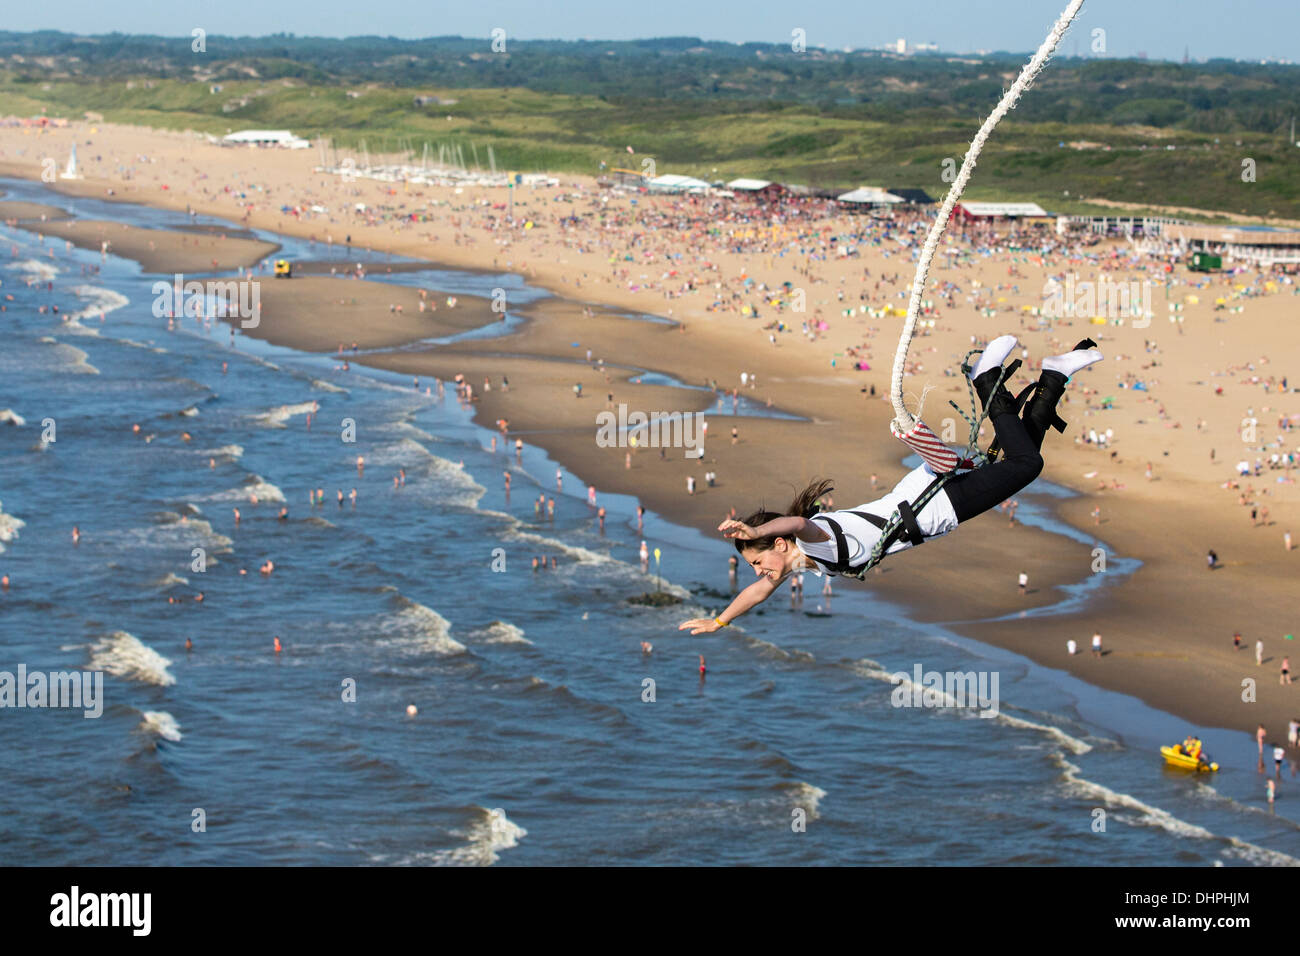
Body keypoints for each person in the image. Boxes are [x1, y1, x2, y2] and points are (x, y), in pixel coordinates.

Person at [678, 336, 1104, 633]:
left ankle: (987, 377)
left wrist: (754, 531)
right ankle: (1055, 376)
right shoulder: (801, 563)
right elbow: (757, 592)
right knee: (1018, 459)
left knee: (1027, 463)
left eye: (758, 560)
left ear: (778, 546)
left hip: (936, 503)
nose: (758, 572)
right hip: (930, 504)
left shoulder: (816, 541)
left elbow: (792, 523)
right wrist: (720, 621)